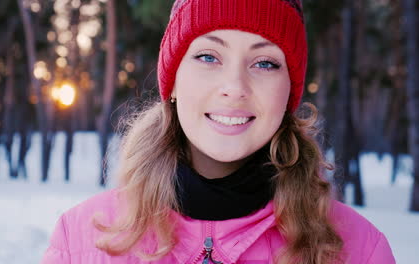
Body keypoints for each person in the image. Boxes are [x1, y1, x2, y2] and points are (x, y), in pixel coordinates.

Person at [41, 0, 396, 263]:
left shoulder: (358, 249)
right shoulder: (82, 240)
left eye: (265, 62)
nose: (235, 87)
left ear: (288, 90)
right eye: (209, 56)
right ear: (174, 80)